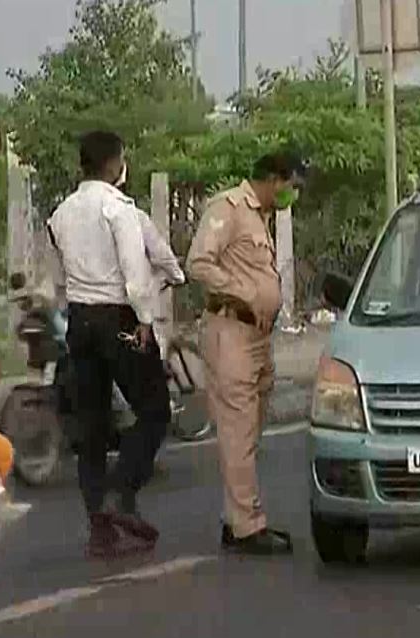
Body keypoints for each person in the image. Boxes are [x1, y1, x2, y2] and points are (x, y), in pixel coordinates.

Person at [48, 131, 171, 558]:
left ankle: (100, 531)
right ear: (115, 164)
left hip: (80, 320)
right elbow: (134, 272)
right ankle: (122, 491)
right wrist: (144, 320)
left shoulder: (60, 213)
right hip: (118, 317)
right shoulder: (117, 209)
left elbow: (60, 275)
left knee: (92, 427)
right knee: (155, 411)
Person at [187, 151, 306, 556]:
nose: (293, 194)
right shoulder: (229, 209)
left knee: (249, 432)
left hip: (257, 337)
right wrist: (243, 293)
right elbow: (198, 264)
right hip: (231, 330)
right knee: (238, 431)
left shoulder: (260, 217)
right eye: (292, 185)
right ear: (274, 179)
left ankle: (234, 517)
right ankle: (247, 525)